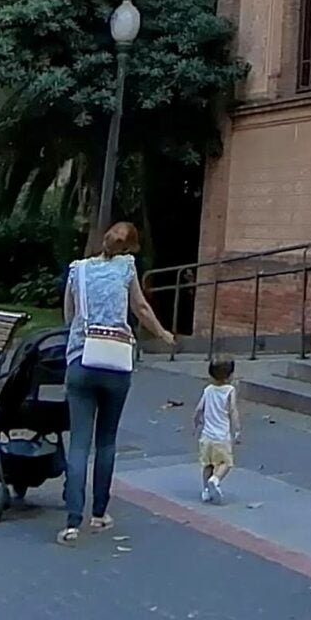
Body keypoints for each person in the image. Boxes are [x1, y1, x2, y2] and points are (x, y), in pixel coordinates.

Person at [56, 220, 174, 546]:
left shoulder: (76, 270)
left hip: (81, 360)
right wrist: (162, 334)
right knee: (106, 441)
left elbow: (69, 316)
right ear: (128, 248)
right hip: (116, 363)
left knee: (79, 443)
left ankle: (71, 522)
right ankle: (99, 514)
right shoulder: (127, 268)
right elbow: (140, 307)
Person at [195, 357, 239, 504]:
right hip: (221, 436)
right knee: (225, 463)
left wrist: (197, 422)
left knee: (207, 464)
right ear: (230, 375)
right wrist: (237, 428)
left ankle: (206, 490)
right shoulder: (230, 391)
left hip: (206, 436)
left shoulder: (208, 390)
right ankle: (216, 479)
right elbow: (232, 410)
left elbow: (199, 409)